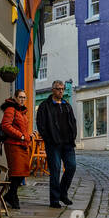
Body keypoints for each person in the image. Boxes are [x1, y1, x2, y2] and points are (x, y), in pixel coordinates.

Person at [36, 80, 78, 208]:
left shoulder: (66, 105)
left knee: (71, 167)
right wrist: (49, 139)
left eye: (62, 89)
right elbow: (41, 125)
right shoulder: (45, 106)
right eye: (58, 89)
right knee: (55, 170)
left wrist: (73, 137)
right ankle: (54, 200)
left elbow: (73, 122)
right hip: (53, 144)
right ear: (52, 90)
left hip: (68, 144)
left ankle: (62, 193)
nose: (61, 91)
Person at [0, 90, 30, 209]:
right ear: (15, 97)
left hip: (22, 144)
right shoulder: (10, 109)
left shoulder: (21, 111)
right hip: (13, 144)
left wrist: (27, 136)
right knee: (16, 172)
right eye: (20, 97)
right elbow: (5, 125)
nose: (22, 99)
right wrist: (21, 135)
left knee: (22, 171)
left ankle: (10, 195)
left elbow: (23, 127)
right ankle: (13, 196)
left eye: (24, 97)